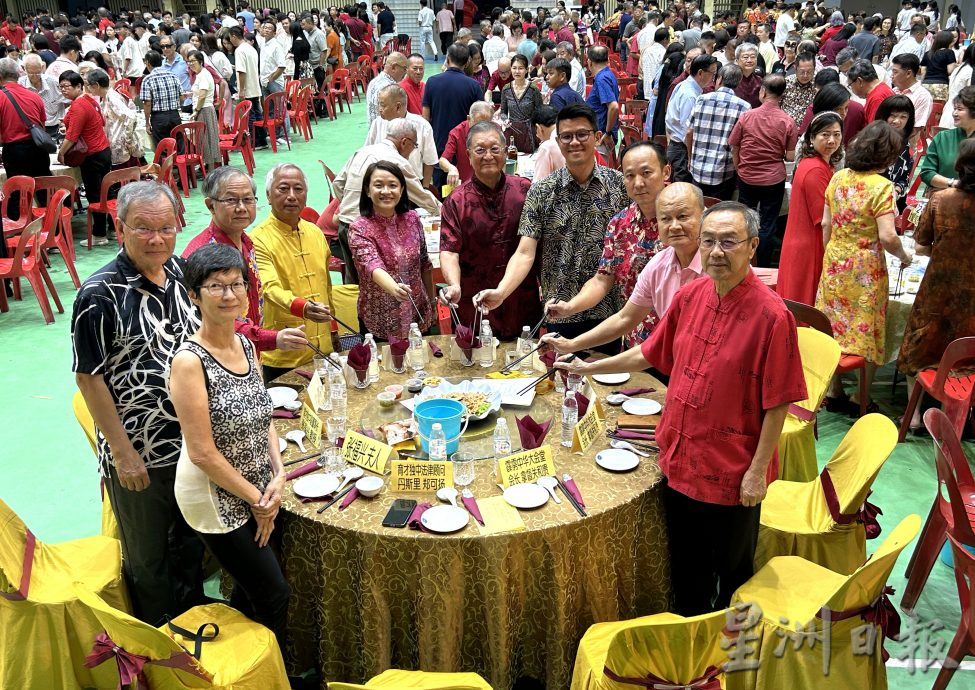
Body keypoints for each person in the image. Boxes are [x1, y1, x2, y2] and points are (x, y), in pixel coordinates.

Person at [555, 201, 807, 616]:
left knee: (732, 572)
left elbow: (778, 403)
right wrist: (589, 365)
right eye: (708, 241)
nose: (716, 252)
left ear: (753, 247)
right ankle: (689, 653)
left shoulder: (772, 316)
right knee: (687, 568)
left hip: (731, 470)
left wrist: (757, 473)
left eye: (729, 242)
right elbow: (648, 353)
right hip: (679, 457)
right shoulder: (691, 295)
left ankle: (728, 655)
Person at [72, 181, 205, 625]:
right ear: (120, 226)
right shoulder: (99, 295)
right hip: (140, 454)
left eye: (166, 228)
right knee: (148, 559)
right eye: (143, 228)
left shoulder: (182, 274)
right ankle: (157, 643)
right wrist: (124, 454)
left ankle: (191, 624)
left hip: (191, 448)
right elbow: (89, 380)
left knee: (190, 544)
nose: (156, 239)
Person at [169, 243, 289, 649]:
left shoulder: (246, 345)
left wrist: (279, 473)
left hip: (256, 482)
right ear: (194, 296)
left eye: (236, 284)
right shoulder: (189, 361)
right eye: (216, 286)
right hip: (213, 493)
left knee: (251, 587)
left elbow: (263, 413)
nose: (229, 295)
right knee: (274, 594)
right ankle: (273, 675)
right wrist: (260, 500)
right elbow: (201, 451)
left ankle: (242, 663)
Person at [475, 103, 628, 353]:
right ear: (557, 141)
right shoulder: (542, 191)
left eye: (582, 134)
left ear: (597, 137)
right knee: (558, 384)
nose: (574, 142)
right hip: (559, 310)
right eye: (566, 136)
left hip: (608, 310)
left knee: (605, 383)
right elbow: (525, 251)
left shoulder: (620, 187)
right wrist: (502, 292)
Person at [541, 182, 705, 358]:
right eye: (665, 219)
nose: (674, 226)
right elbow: (625, 318)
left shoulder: (718, 265)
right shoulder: (659, 263)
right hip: (652, 350)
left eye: (683, 216)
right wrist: (570, 344)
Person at [816, 121, 913, 413]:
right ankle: (862, 396)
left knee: (832, 327)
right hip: (866, 267)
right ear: (885, 155)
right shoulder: (882, 186)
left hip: (835, 260)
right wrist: (904, 257)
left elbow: (825, 224)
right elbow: (887, 236)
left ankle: (834, 391)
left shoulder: (838, 178)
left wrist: (831, 255)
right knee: (867, 331)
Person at [545, 141, 670, 349]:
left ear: (666, 172)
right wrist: (569, 307)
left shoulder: (685, 222)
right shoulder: (619, 224)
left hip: (680, 343)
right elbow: (603, 279)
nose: (638, 183)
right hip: (636, 342)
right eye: (630, 176)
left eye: (646, 173)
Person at [183, 166, 309, 356]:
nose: (242, 208)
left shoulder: (247, 242)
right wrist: (271, 338)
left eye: (248, 200)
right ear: (211, 206)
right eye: (231, 200)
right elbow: (216, 319)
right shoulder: (202, 253)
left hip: (249, 352)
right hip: (219, 357)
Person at [897, 138, 975, 429]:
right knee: (965, 354)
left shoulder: (941, 200)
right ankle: (954, 414)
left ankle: (914, 416)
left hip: (939, 288)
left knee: (917, 348)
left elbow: (921, 247)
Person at [439, 121, 540, 339]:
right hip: (475, 303)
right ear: (467, 154)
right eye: (480, 150)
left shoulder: (525, 191)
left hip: (521, 298)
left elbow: (534, 248)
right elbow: (449, 250)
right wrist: (454, 285)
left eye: (494, 149)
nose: (488, 156)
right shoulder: (456, 201)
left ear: (506, 152)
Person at [251, 164, 336, 382]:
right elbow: (269, 288)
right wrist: (303, 307)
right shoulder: (258, 239)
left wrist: (333, 330)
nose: (291, 196)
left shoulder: (315, 232)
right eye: (283, 189)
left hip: (322, 347)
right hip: (284, 352)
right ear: (268, 196)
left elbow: (326, 286)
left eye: (298, 189)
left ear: (306, 195)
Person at [335, 118, 441, 283]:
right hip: (370, 229)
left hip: (345, 224)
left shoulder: (361, 151)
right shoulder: (397, 161)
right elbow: (422, 196)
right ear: (405, 142)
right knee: (380, 281)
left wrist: (351, 204)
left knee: (354, 283)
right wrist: (446, 212)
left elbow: (338, 184)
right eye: (414, 147)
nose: (412, 151)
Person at [348, 160, 435, 339]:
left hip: (418, 314)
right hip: (380, 321)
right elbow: (372, 265)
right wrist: (394, 288)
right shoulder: (359, 228)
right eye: (378, 185)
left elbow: (424, 263)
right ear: (367, 190)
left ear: (402, 190)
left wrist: (432, 302)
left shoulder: (412, 219)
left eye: (393, 185)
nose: (386, 191)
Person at [729, 74, 797, 267]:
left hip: (747, 177)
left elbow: (734, 146)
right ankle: (763, 265)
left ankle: (744, 261)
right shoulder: (787, 121)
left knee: (745, 220)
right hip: (773, 179)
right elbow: (790, 157)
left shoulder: (747, 116)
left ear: (763, 91)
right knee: (768, 223)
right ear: (782, 95)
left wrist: (739, 166)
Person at [776, 111, 843, 305]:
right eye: (825, 134)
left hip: (800, 242)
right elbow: (823, 219)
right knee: (806, 304)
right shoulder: (816, 169)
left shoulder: (812, 164)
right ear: (812, 138)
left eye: (837, 134)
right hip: (809, 247)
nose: (831, 140)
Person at [58, 70, 113, 246]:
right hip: (103, 151)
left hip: (93, 155)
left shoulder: (79, 105)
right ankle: (112, 229)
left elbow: (72, 136)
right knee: (107, 191)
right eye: (61, 87)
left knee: (95, 193)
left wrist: (61, 153)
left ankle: (99, 234)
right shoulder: (90, 100)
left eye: (67, 86)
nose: (63, 90)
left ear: (79, 86)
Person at [687, 63, 750, 201]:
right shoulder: (744, 107)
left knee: (698, 210)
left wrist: (690, 159)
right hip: (724, 171)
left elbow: (689, 131)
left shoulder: (701, 99)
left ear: (719, 79)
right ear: (738, 83)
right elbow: (739, 144)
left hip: (698, 168)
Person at [423, 43, 483, 185]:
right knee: (466, 189)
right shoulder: (473, 86)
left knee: (442, 190)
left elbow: (425, 118)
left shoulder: (431, 82)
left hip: (439, 145)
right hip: (465, 147)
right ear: (467, 61)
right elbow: (481, 120)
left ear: (448, 59)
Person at [0, 57, 52, 216]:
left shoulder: (1, 97)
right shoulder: (34, 96)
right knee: (44, 191)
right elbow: (42, 126)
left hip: (15, 151)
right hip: (38, 148)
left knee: (17, 193)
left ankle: (19, 232)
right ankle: (52, 228)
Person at [365, 83, 438, 186]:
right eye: (379, 104)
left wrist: (425, 188)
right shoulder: (377, 123)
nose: (379, 109)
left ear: (398, 107)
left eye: (383, 105)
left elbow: (429, 161)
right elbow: (368, 152)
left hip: (412, 183)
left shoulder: (422, 126)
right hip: (383, 184)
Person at [666, 54, 718, 183]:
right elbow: (687, 130)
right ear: (700, 73)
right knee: (682, 189)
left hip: (677, 145)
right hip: (682, 149)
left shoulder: (686, 85)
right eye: (712, 73)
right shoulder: (690, 95)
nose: (713, 78)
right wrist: (690, 157)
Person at [84, 68, 142, 170]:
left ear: (96, 85)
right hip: (116, 143)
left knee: (125, 177)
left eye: (88, 85)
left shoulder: (112, 97)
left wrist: (128, 140)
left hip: (122, 145)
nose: (87, 88)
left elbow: (131, 116)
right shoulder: (106, 98)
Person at [920, 86, 975, 191]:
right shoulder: (942, 137)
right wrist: (953, 183)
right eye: (954, 108)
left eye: (960, 109)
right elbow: (926, 173)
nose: (954, 113)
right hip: (944, 198)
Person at [439, 101, 497, 186]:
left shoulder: (496, 130)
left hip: (490, 182)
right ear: (469, 119)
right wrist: (451, 168)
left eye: (486, 125)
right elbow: (442, 161)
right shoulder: (457, 132)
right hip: (467, 184)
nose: (482, 130)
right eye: (477, 125)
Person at [875, 95, 916, 213]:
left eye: (903, 117)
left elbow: (905, 177)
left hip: (892, 202)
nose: (897, 121)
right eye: (893, 116)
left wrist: (897, 190)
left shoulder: (906, 145)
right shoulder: (872, 141)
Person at [500, 54, 543, 152]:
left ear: (526, 70)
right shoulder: (506, 89)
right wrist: (505, 120)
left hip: (529, 132)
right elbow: (503, 112)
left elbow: (540, 113)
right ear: (510, 69)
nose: (517, 71)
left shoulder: (533, 89)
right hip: (511, 130)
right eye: (514, 68)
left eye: (520, 68)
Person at [585, 45, 620, 155]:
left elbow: (613, 106)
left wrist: (608, 133)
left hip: (602, 136)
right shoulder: (607, 74)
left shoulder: (602, 79)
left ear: (589, 62)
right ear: (608, 60)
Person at [19, 53, 63, 137]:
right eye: (31, 73)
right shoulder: (20, 84)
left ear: (42, 67)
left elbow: (68, 99)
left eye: (37, 73)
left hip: (54, 127)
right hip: (32, 128)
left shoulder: (54, 82)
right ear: (24, 69)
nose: (35, 76)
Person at [891, 53, 933, 139]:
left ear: (908, 74)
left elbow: (915, 129)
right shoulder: (893, 91)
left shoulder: (923, 96)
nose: (891, 76)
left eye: (895, 72)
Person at [780, 51, 817, 126]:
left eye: (810, 72)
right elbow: (777, 104)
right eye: (802, 72)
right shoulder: (787, 82)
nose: (805, 75)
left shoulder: (818, 85)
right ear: (795, 68)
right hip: (785, 126)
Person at [921, 30, 957, 101]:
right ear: (948, 41)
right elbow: (950, 70)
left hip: (926, 84)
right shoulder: (949, 52)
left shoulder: (928, 53)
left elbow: (923, 71)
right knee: (938, 109)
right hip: (941, 84)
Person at [733, 41, 763, 108]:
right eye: (745, 57)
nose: (749, 60)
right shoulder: (731, 80)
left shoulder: (760, 81)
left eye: (753, 57)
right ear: (737, 61)